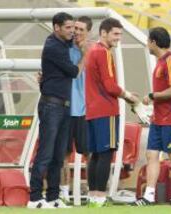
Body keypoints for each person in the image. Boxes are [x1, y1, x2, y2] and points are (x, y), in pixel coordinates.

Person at [28, 12, 81, 209]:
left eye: (73, 27)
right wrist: (85, 54)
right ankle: (34, 198)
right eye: (68, 27)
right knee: (46, 153)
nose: (72, 31)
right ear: (56, 27)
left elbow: (74, 41)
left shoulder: (63, 43)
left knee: (58, 155)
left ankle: (52, 197)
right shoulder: (52, 46)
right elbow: (74, 72)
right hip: (52, 106)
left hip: (63, 105)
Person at [85, 17, 138, 207]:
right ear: (103, 33)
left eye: (120, 35)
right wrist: (128, 95)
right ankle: (100, 197)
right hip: (105, 109)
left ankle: (93, 197)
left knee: (96, 154)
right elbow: (109, 85)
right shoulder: (104, 53)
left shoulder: (92, 51)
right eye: (115, 34)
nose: (118, 38)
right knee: (106, 153)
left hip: (91, 110)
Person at [131, 27, 171, 206]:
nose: (147, 44)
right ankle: (149, 196)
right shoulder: (160, 62)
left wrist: (152, 96)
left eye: (148, 41)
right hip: (158, 119)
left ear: (153, 42)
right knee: (151, 155)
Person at [60, 15, 93, 203]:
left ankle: (90, 192)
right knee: (63, 154)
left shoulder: (96, 51)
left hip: (85, 111)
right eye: (75, 29)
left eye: (81, 29)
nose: (77, 32)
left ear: (88, 32)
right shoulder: (64, 49)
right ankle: (63, 193)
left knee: (89, 153)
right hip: (65, 109)